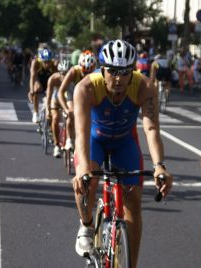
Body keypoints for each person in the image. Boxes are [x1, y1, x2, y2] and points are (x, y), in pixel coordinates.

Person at [72, 39, 173, 268]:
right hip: (94, 139)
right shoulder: (86, 88)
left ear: (133, 71)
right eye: (113, 71)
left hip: (125, 142)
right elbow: (80, 133)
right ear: (102, 69)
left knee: (134, 202)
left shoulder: (144, 87)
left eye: (125, 72)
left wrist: (160, 165)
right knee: (86, 182)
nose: (118, 79)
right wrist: (82, 169)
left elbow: (151, 128)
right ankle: (87, 224)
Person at [57, 50, 97, 153]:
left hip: (88, 94)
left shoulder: (97, 74)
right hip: (72, 93)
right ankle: (69, 140)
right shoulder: (73, 71)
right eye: (84, 72)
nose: (86, 76)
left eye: (89, 73)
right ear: (80, 67)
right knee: (72, 113)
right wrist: (66, 109)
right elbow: (60, 92)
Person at [45, 59, 73, 158]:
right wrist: (48, 109)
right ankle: (56, 145)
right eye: (63, 74)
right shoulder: (53, 79)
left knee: (72, 116)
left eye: (67, 73)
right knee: (56, 118)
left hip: (68, 97)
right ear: (59, 73)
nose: (65, 76)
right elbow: (48, 95)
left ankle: (70, 140)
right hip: (56, 97)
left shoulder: (74, 77)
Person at [28, 47, 57, 123]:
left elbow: (57, 79)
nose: (47, 64)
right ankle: (36, 112)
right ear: (41, 60)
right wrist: (31, 91)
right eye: (45, 62)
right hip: (39, 80)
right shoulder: (35, 62)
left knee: (50, 94)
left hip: (49, 81)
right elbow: (32, 77)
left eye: (48, 61)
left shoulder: (54, 64)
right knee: (36, 88)